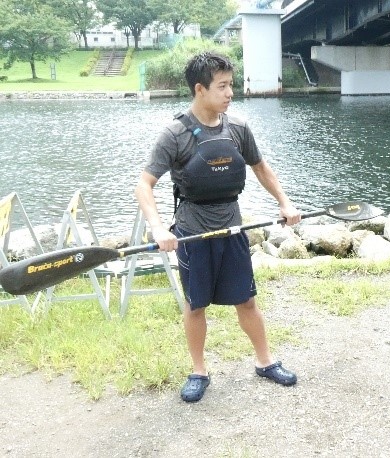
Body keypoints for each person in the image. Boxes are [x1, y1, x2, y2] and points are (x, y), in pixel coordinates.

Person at [135, 51, 301, 403]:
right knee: (196, 305)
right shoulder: (175, 133)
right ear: (200, 89)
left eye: (231, 85)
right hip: (193, 232)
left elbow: (261, 169)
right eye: (222, 86)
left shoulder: (238, 127)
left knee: (247, 301)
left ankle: (266, 362)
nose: (230, 93)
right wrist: (159, 228)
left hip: (231, 228)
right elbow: (144, 184)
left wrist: (285, 203)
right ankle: (199, 370)